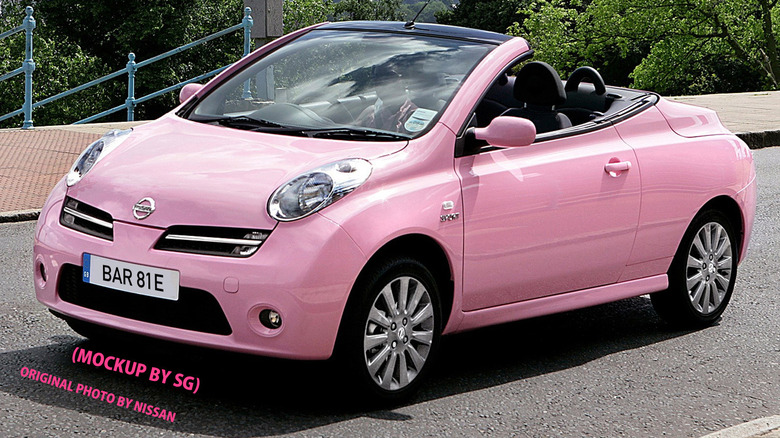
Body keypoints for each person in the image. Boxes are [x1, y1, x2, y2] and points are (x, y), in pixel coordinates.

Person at [355, 64, 418, 133]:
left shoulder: (414, 117)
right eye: (376, 78)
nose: (381, 82)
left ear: (405, 80)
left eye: (388, 76)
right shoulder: (370, 113)